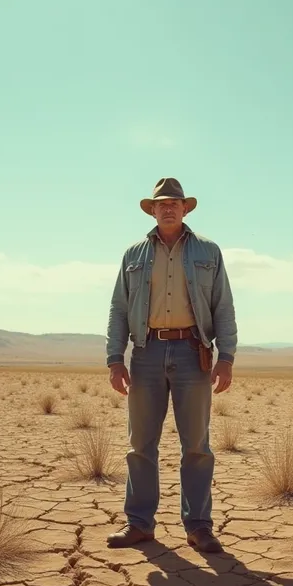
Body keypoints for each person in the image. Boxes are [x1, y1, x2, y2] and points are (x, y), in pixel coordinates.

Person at [105, 178, 237, 552]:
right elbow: (118, 308)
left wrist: (226, 357)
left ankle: (198, 526)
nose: (167, 208)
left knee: (196, 445)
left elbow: (223, 306)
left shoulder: (208, 252)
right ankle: (139, 524)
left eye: (174, 204)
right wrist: (115, 359)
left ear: (185, 209)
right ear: (152, 209)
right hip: (145, 353)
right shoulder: (134, 254)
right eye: (160, 203)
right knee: (140, 445)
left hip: (192, 353)